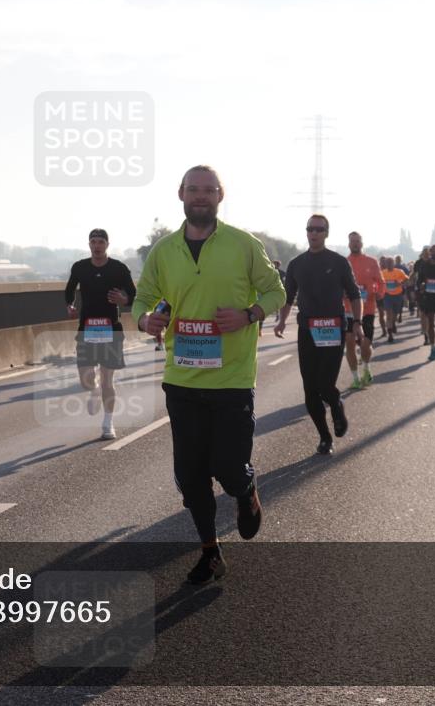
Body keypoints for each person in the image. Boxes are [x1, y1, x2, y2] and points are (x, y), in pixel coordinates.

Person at [133, 165, 285, 585]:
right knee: (191, 476)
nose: (200, 196)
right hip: (181, 379)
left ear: (221, 195)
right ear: (181, 193)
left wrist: (250, 314)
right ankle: (210, 552)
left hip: (231, 380)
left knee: (230, 468)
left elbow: (276, 291)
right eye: (193, 189)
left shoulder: (243, 244)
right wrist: (145, 319)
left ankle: (246, 490)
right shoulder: (164, 250)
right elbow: (143, 298)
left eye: (208, 190)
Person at [275, 214, 362, 455]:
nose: (313, 233)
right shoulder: (296, 264)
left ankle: (336, 404)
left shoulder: (338, 262)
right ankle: (325, 437)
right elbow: (288, 297)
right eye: (310, 229)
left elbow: (354, 294)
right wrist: (281, 321)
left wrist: (357, 322)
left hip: (333, 328)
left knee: (325, 384)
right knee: (310, 390)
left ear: (326, 233)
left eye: (318, 229)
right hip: (307, 330)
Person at [65, 228, 136, 440]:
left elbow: (132, 294)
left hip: (111, 329)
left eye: (100, 242)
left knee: (107, 380)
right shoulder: (80, 267)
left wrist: (124, 299)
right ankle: (93, 390)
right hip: (87, 328)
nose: (97, 246)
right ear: (89, 244)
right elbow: (69, 289)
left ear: (107, 244)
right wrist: (70, 305)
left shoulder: (118, 268)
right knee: (85, 379)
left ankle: (108, 423)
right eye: (93, 242)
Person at [343, 232, 385, 389]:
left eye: (357, 241)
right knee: (349, 343)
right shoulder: (344, 262)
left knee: (365, 344)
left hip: (367, 309)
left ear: (361, 243)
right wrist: (341, 293)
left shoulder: (371, 262)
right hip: (348, 309)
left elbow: (381, 282)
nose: (355, 244)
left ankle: (366, 367)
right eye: (352, 241)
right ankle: (355, 378)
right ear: (349, 244)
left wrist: (379, 293)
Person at [380, 256, 410, 342]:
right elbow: (379, 282)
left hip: (397, 295)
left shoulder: (399, 271)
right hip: (387, 296)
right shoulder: (382, 273)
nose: (389, 264)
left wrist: (400, 283)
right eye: (387, 263)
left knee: (395, 314)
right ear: (386, 264)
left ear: (393, 263)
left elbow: (407, 279)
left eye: (391, 262)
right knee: (388, 315)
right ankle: (390, 335)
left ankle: (393, 323)